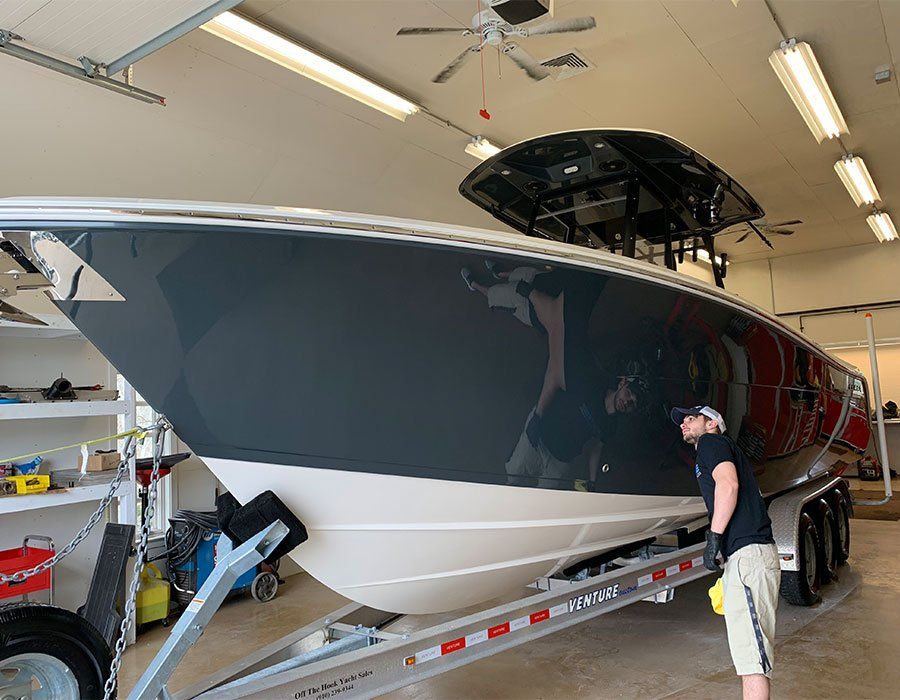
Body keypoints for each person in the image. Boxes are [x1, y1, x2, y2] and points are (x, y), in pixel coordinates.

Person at [671, 405, 779, 700]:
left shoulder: (712, 442)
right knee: (748, 656)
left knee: (752, 662)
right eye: (682, 420)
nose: (683, 423)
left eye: (691, 418)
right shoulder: (716, 447)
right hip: (745, 558)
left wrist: (714, 536)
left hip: (748, 557)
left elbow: (728, 485)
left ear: (711, 423)